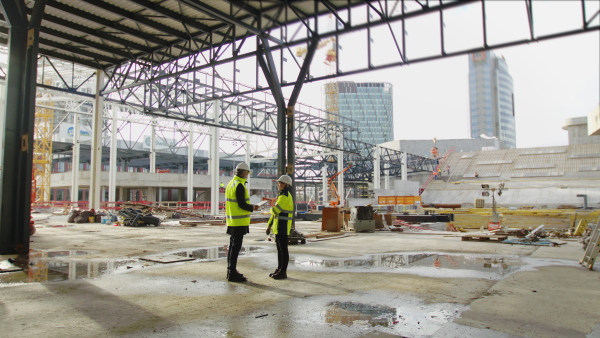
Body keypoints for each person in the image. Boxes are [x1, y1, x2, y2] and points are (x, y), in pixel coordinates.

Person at [225, 162, 260, 282]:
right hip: (238, 221)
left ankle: (230, 271)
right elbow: (241, 204)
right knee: (235, 247)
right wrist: (253, 208)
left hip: (232, 220)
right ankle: (232, 273)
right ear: (244, 172)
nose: (247, 175)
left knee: (232, 247)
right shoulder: (239, 185)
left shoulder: (231, 183)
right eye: (247, 173)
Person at [266, 175, 294, 280]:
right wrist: (269, 225)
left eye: (280, 183)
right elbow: (274, 215)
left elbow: (274, 211)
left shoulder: (285, 196)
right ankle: (279, 269)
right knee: (280, 250)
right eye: (278, 183)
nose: (278, 184)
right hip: (278, 226)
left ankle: (283, 271)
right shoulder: (281, 196)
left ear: (286, 184)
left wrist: (271, 205)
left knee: (283, 250)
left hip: (283, 226)